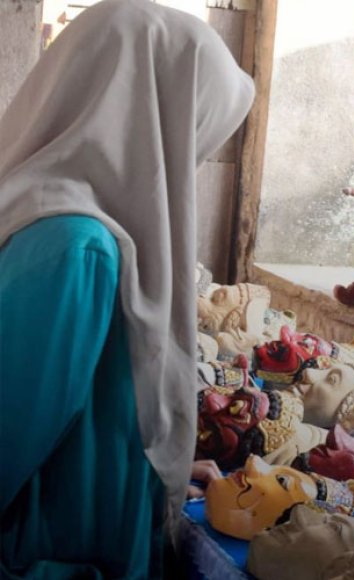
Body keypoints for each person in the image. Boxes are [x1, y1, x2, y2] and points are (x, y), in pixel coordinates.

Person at [0, 0, 254, 577]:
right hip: (59, 554)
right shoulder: (78, 250)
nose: (197, 156)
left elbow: (80, 402)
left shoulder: (70, 221)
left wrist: (142, 463)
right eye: (196, 129)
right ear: (150, 116)